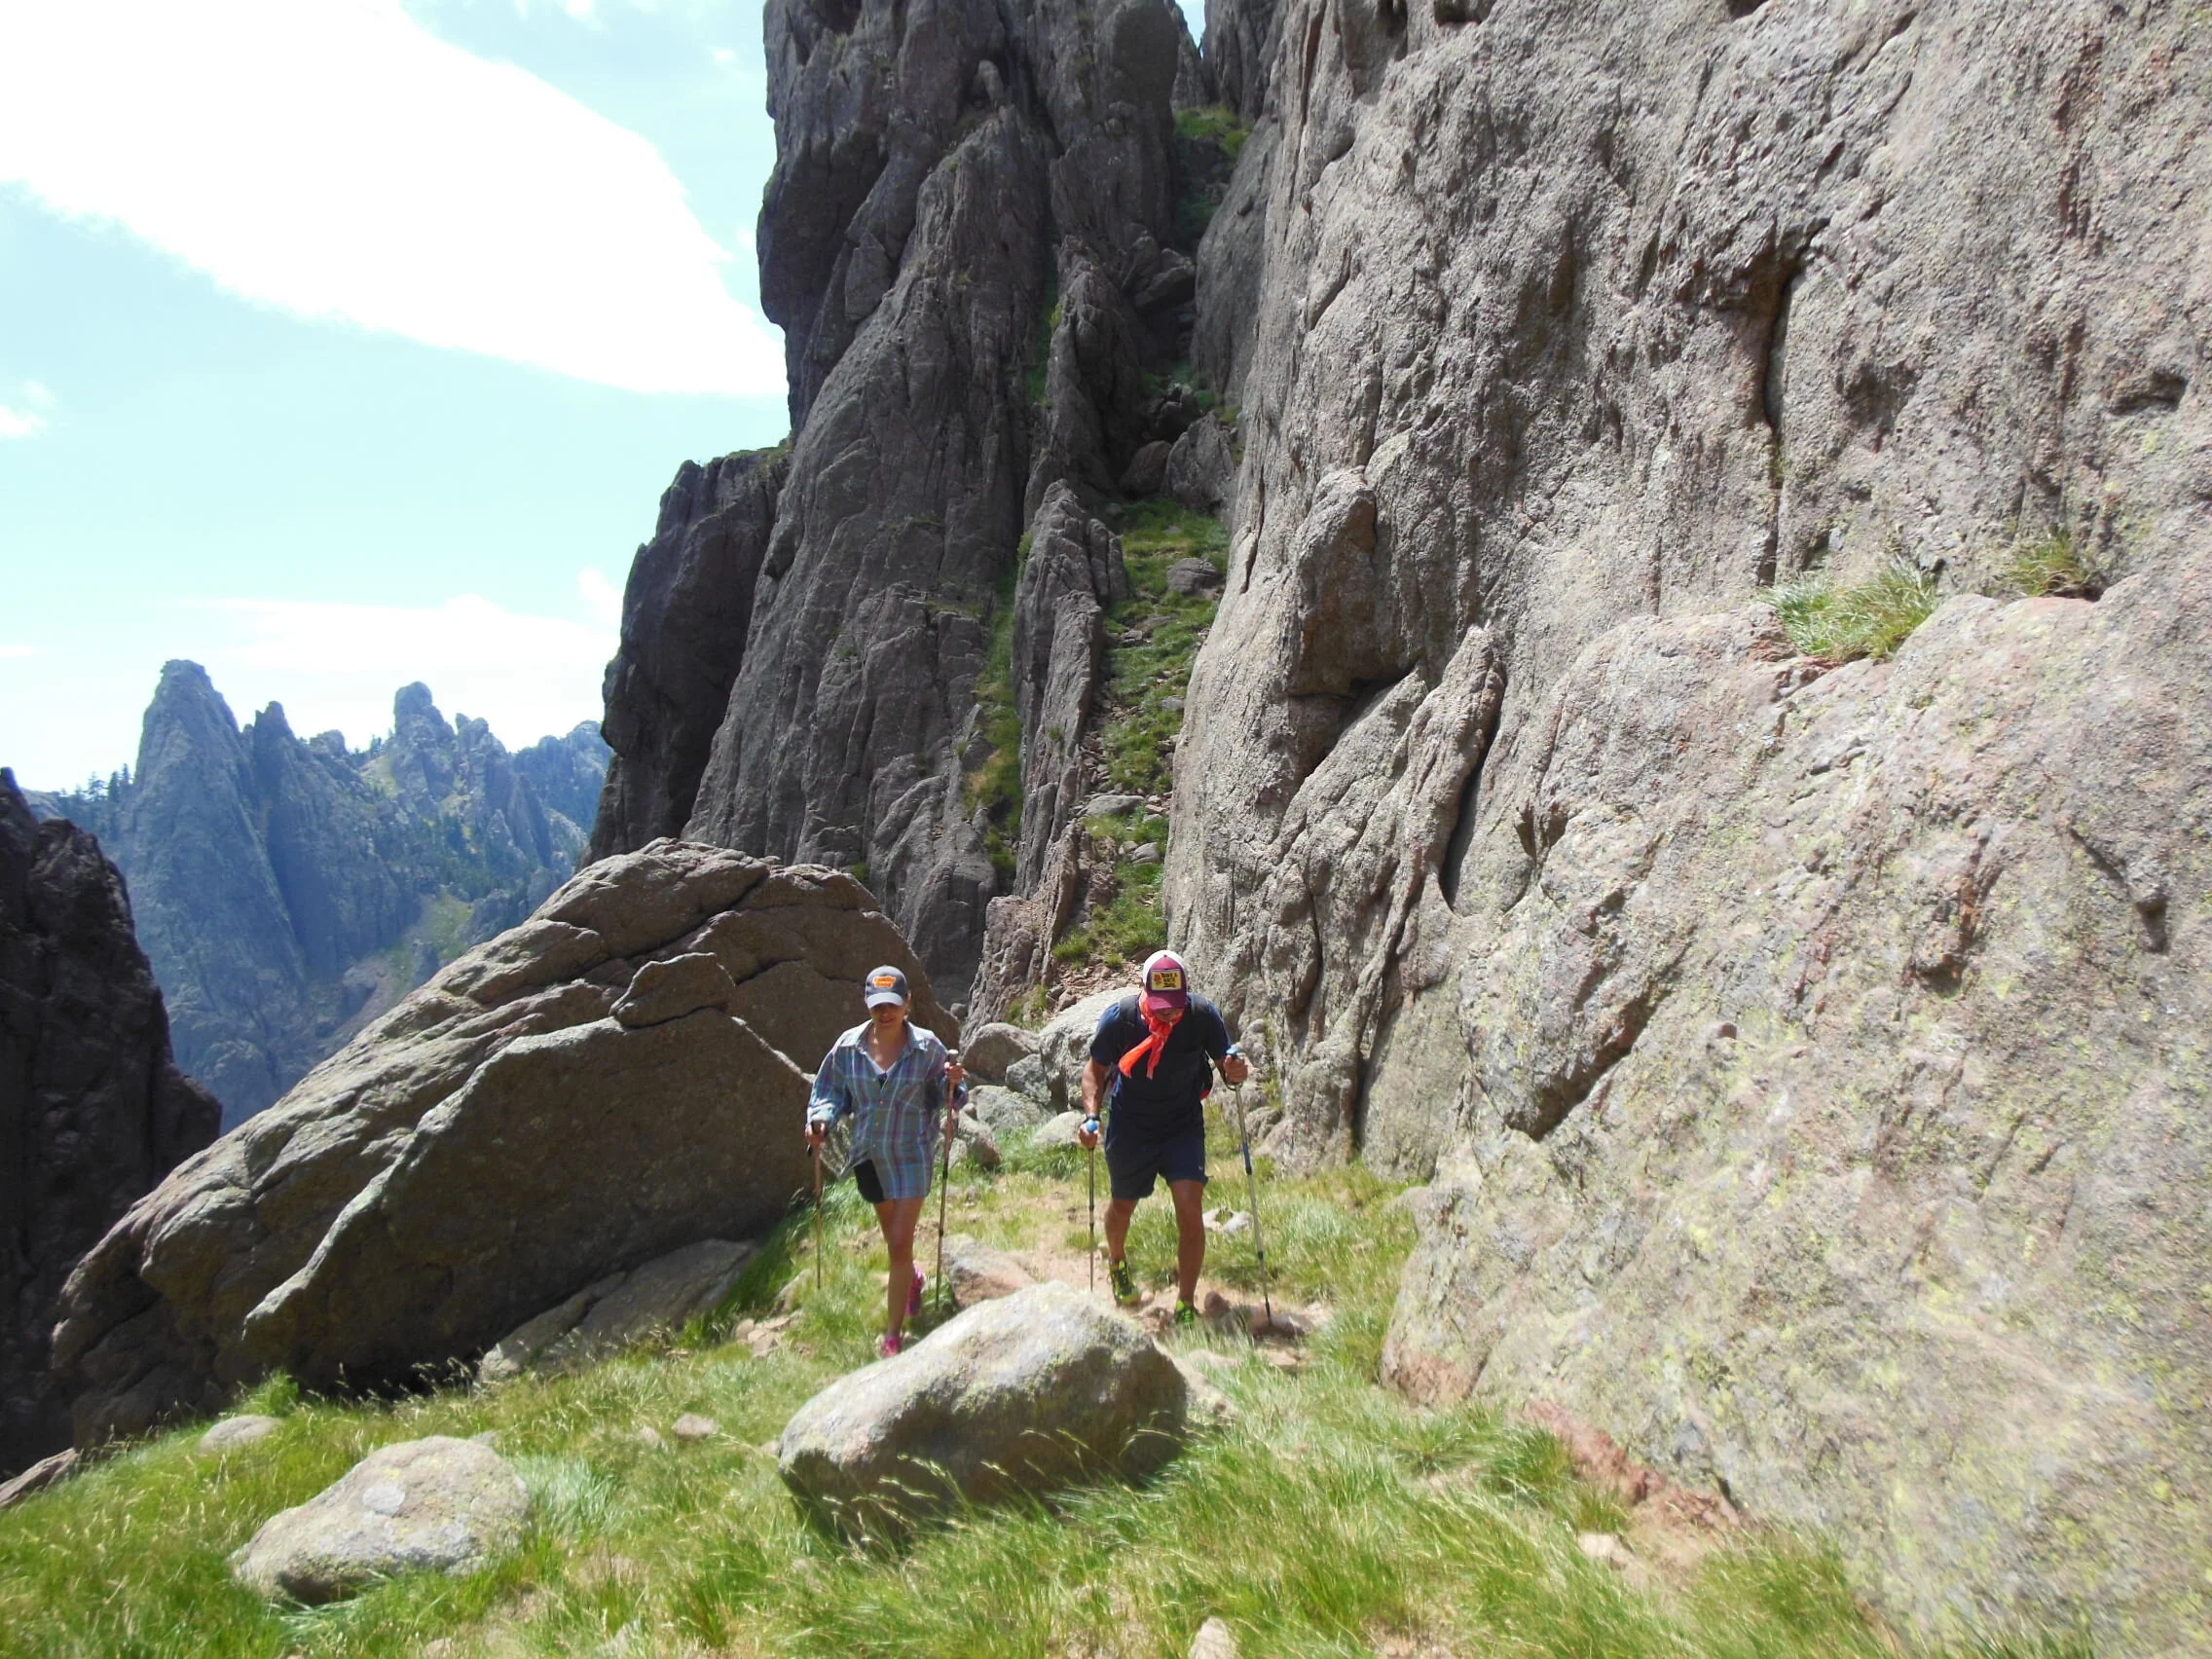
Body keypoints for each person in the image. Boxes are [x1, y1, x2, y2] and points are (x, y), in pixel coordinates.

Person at [1076, 949, 1250, 1326]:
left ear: (1186, 993)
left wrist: (1236, 1069)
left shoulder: (1202, 1015)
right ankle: (1117, 1260)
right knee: (1123, 1205)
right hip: (1130, 1123)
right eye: (1160, 1005)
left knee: (1190, 1207)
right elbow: (1095, 1071)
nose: (1168, 1012)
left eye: (1175, 1005)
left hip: (1182, 1124)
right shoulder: (1121, 1018)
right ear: (1143, 990)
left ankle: (1186, 1303)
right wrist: (1091, 1117)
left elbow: (1229, 1068)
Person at [805, 964, 965, 1356]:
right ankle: (911, 1280)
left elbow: (949, 1096)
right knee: (892, 1238)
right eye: (878, 1005)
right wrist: (820, 1120)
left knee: (898, 1242)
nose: (886, 1013)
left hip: (912, 1153)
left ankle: (893, 1336)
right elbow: (829, 1092)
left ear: (908, 1002)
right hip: (868, 1156)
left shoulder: (928, 1048)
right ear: (867, 1003)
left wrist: (954, 1084)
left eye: (893, 1004)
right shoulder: (847, 1047)